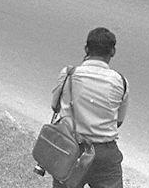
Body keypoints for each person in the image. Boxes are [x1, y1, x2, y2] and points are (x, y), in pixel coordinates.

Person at [49, 27, 128, 188]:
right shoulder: (120, 81)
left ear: (86, 48)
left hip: (70, 149)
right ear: (112, 51)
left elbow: (54, 106)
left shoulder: (68, 74)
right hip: (105, 155)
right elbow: (119, 121)